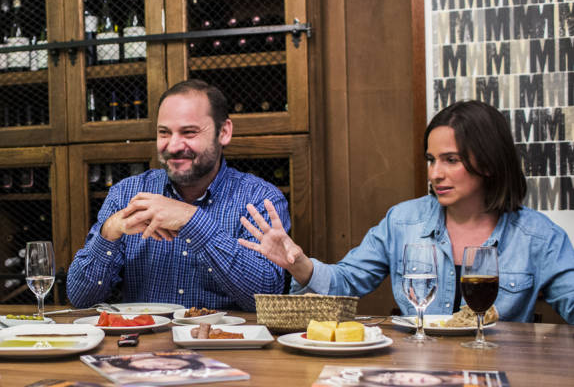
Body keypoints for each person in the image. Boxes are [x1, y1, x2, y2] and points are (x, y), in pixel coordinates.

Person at [239, 100, 574, 323]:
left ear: (488, 162)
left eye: (451, 160)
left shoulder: (539, 236)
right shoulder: (402, 221)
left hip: (502, 378)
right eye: (431, 160)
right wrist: (302, 267)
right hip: (418, 373)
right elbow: (345, 283)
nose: (435, 174)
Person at [67, 79, 289, 311]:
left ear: (223, 132)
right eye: (164, 133)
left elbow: (266, 299)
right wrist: (108, 233)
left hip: (222, 345)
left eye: (189, 132)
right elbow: (80, 299)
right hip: (141, 344)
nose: (173, 146)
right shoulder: (125, 194)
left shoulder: (260, 199)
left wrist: (192, 221)